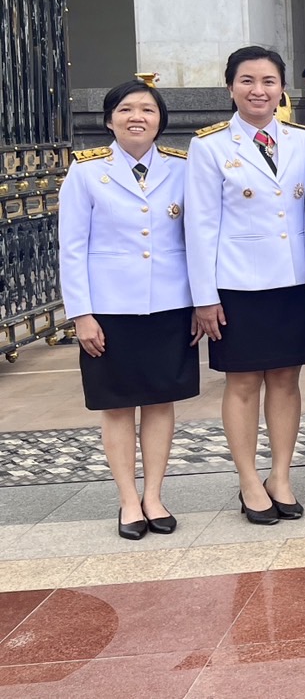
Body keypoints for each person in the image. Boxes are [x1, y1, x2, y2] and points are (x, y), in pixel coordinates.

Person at [186, 46, 305, 524]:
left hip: (294, 280)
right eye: (247, 81)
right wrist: (204, 296)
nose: (258, 91)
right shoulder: (209, 147)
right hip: (239, 285)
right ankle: (249, 479)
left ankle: (281, 475)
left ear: (281, 88)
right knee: (243, 383)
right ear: (230, 88)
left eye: (268, 81)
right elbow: (200, 227)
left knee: (287, 381)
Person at [59, 81, 198, 540]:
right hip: (109, 310)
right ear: (108, 119)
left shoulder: (182, 168)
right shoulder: (85, 173)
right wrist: (81, 314)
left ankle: (154, 495)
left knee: (160, 402)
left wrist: (200, 302)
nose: (137, 116)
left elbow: (195, 240)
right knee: (117, 407)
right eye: (125, 109)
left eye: (147, 109)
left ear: (161, 119)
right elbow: (72, 249)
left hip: (168, 305)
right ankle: (126, 501)